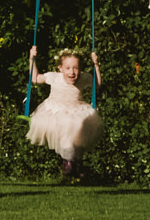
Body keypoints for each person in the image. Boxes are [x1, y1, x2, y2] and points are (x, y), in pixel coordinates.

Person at [25, 44, 105, 181]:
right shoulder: (54, 77)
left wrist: (96, 65)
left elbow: (97, 85)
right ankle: (68, 162)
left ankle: (77, 162)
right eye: (67, 68)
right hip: (55, 111)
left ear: (80, 69)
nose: (72, 72)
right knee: (66, 133)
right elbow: (35, 78)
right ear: (60, 68)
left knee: (78, 133)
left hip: (77, 110)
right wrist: (32, 59)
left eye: (76, 68)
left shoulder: (84, 78)